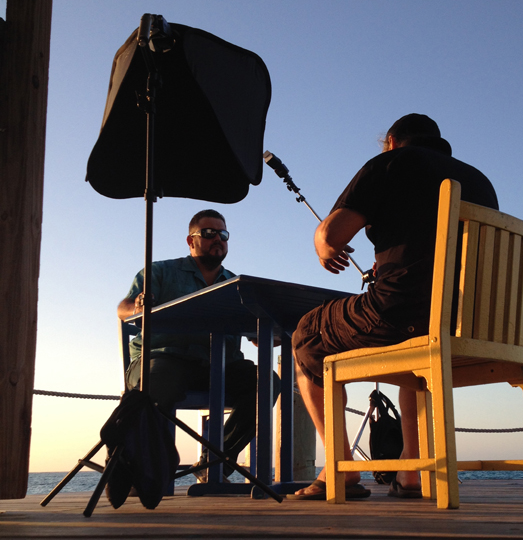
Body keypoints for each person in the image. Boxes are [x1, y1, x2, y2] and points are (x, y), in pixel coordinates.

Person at [289, 114, 498, 500]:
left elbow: (332, 234)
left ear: (390, 141)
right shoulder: (480, 181)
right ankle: (411, 474)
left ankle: (340, 471)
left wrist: (323, 246)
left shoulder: (389, 164)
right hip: (469, 322)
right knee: (414, 363)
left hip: (403, 312)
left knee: (306, 334)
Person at [118, 209, 281, 479]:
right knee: (157, 382)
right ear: (190, 240)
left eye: (223, 234)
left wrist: (272, 332)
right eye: (208, 233)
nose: (218, 238)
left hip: (219, 367)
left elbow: (257, 334)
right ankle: (140, 469)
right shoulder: (160, 271)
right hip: (163, 358)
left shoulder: (236, 285)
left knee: (267, 382)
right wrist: (137, 306)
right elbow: (124, 308)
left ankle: (214, 464)